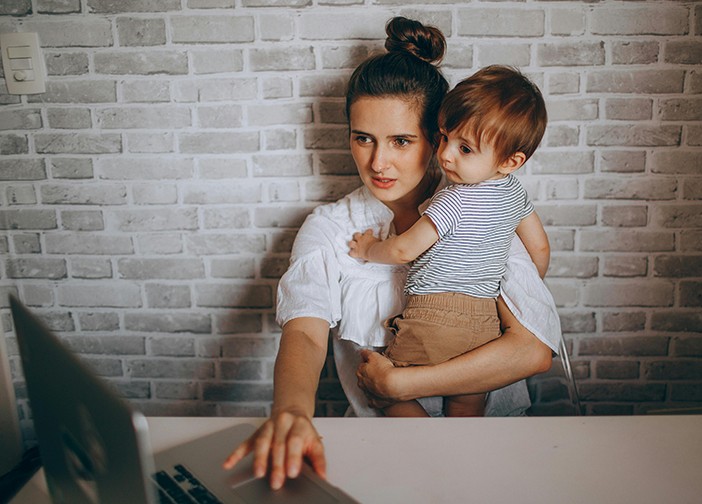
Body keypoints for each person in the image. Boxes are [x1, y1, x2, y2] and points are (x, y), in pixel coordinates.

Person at [223, 16, 561, 490]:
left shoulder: (481, 209)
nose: (378, 162)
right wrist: (292, 412)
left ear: (438, 137)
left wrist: (401, 384)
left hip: (492, 451)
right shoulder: (330, 228)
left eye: (401, 141)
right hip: (384, 454)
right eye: (363, 138)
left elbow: (531, 351)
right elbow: (304, 333)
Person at [347, 65, 549, 418]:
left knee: (388, 392)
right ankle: (460, 451)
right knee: (466, 399)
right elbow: (540, 249)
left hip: (433, 317)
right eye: (444, 138)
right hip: (484, 321)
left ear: (510, 160)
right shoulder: (515, 195)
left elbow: (403, 249)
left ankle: (424, 443)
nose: (446, 155)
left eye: (465, 148)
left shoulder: (452, 201)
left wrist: (368, 249)